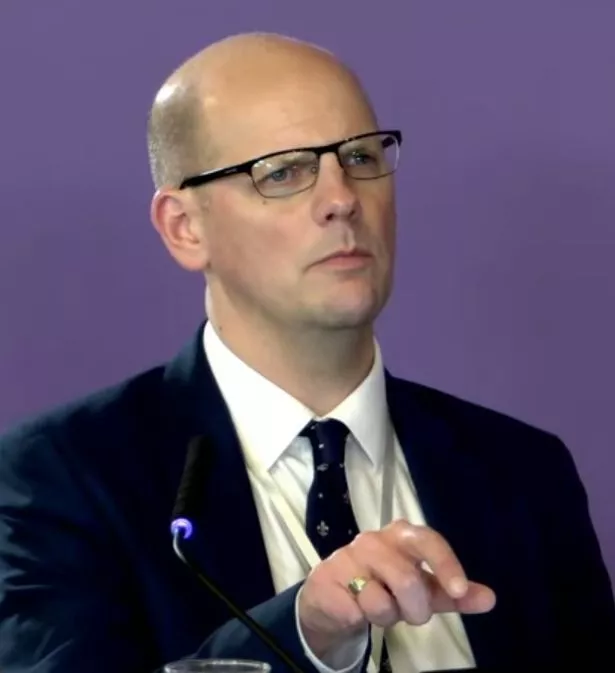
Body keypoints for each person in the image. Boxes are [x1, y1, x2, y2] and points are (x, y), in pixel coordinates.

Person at [0, 31, 613, 673]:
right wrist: (305, 629)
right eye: (284, 172)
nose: (342, 199)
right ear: (185, 228)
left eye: (360, 157)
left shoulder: (522, 472)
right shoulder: (61, 476)